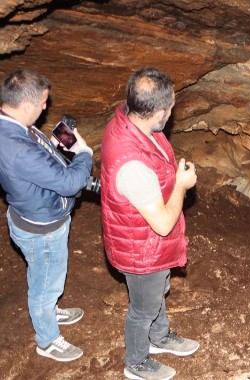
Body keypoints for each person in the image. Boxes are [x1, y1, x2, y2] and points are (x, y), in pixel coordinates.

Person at [100, 67, 199, 380]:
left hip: (147, 244)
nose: (171, 114)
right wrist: (182, 185)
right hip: (140, 250)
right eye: (169, 109)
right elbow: (163, 224)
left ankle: (159, 337)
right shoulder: (132, 167)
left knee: (158, 292)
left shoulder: (128, 123)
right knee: (142, 308)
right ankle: (137, 361)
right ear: (157, 112)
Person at [0, 69, 94, 362]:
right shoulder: (17, 148)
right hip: (41, 227)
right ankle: (47, 339)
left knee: (45, 277)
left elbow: (41, 155)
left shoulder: (15, 126)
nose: (45, 108)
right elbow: (69, 183)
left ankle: (50, 308)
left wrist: (63, 143)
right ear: (26, 105)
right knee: (44, 284)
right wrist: (85, 154)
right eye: (42, 103)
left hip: (31, 212)